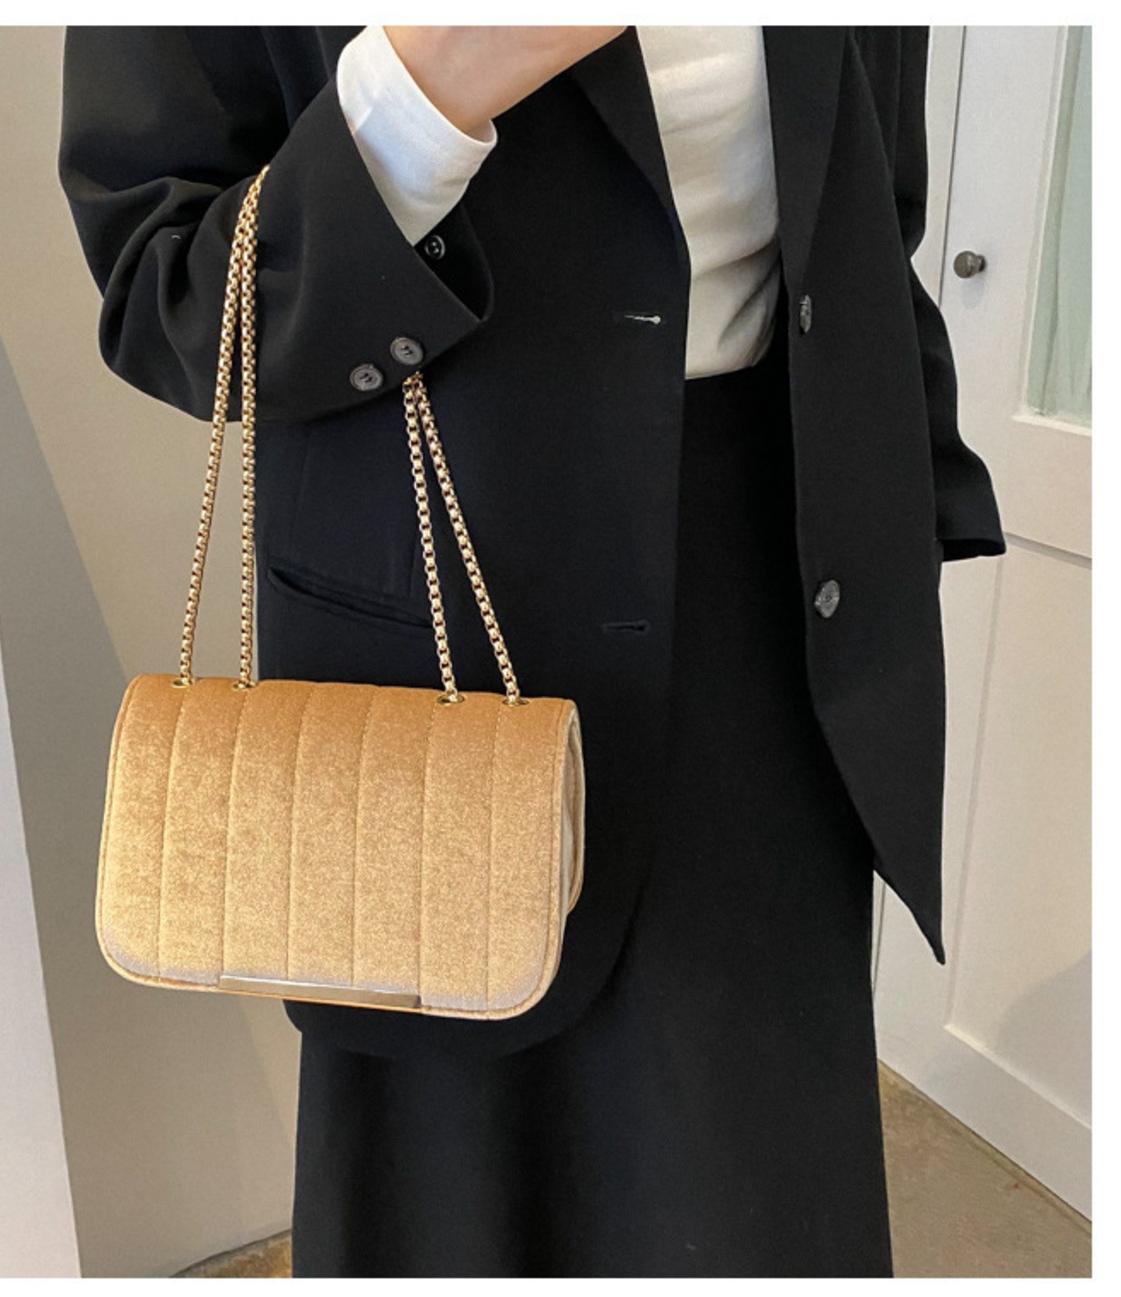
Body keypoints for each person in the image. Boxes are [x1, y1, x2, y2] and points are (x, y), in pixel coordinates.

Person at [58, 25, 1007, 1277]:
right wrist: (426, 91)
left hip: (773, 621)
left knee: (751, 1183)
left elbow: (870, 211)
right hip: (433, 640)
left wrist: (916, 493)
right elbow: (168, 289)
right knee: (452, 1196)